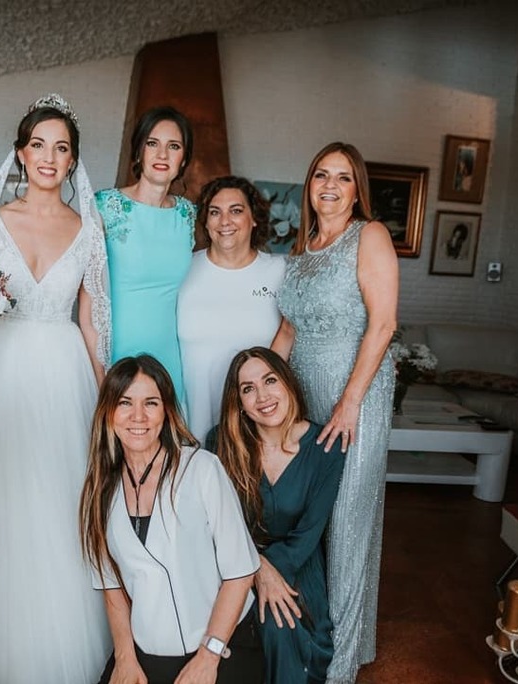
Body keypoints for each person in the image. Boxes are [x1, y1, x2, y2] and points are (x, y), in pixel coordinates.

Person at [0, 94, 111, 682]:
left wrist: (104, 393)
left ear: (73, 161)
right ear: (20, 153)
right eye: (39, 144)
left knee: (60, 503)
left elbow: (90, 322)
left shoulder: (88, 229)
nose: (49, 157)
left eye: (62, 148)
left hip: (63, 375)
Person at [271, 142, 398, 684]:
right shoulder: (301, 249)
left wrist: (349, 404)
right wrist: (253, 383)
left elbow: (384, 324)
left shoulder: (368, 235)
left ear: (356, 189)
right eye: (321, 175)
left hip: (356, 398)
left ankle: (339, 669)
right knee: (316, 525)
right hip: (307, 398)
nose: (329, 185)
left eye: (342, 178)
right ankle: (335, 638)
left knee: (347, 524)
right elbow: (288, 330)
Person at [79, 355, 264, 683]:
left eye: (151, 402)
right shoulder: (99, 491)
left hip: (221, 645)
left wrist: (208, 658)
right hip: (146, 652)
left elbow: (240, 573)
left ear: (166, 411)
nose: (138, 416)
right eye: (125, 403)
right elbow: (112, 587)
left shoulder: (203, 469)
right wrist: (124, 658)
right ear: (108, 412)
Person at [212, 347, 344, 684]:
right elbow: (211, 524)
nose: (262, 396)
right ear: (239, 402)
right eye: (248, 388)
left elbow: (308, 534)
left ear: (288, 383)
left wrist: (268, 571)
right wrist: (255, 568)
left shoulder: (325, 446)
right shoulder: (221, 443)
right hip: (233, 561)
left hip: (298, 560)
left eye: (270, 381)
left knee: (278, 622)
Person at [96, 106, 196, 407]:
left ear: (184, 159)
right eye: (153, 143)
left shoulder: (188, 214)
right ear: (138, 152)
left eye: (174, 146)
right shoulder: (104, 206)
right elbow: (88, 305)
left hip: (170, 358)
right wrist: (101, 377)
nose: (162, 154)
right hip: (117, 356)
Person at [178, 176, 286, 440]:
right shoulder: (181, 268)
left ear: (254, 218)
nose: (225, 221)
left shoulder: (280, 271)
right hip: (189, 426)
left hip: (257, 428)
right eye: (215, 212)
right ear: (205, 221)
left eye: (236, 211)